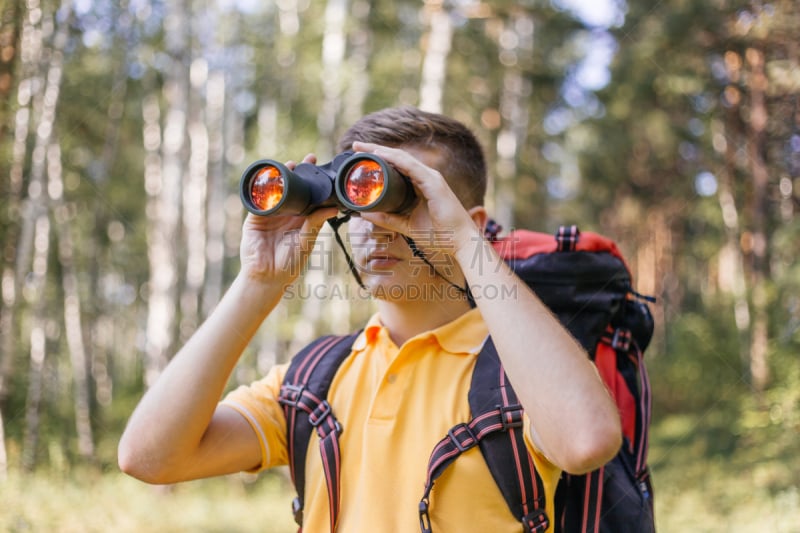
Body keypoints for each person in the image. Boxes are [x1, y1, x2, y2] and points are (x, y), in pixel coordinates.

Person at [118, 106, 622, 532]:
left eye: (405, 201)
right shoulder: (317, 376)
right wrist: (260, 280)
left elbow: (585, 442)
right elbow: (150, 457)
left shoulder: (516, 372)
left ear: (471, 225)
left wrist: (469, 248)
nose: (376, 228)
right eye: (357, 201)